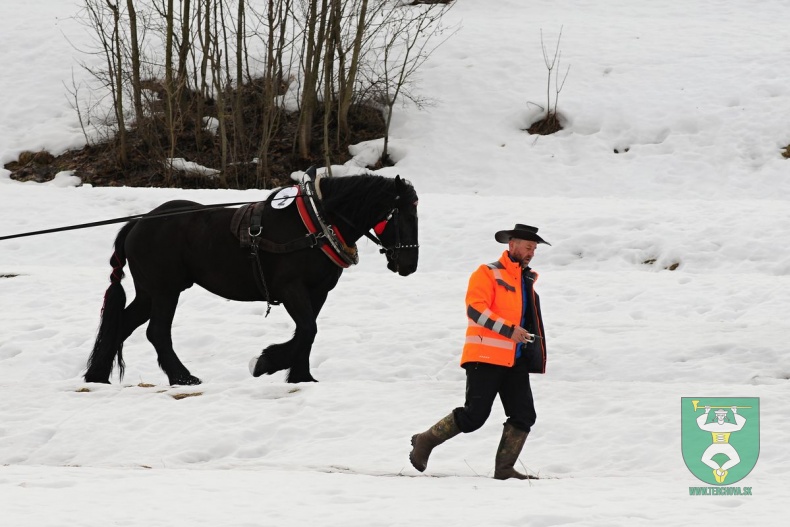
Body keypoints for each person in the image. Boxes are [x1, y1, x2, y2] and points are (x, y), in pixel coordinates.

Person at [409, 224, 550, 480]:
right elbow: (475, 310)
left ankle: (504, 469)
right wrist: (509, 331)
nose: (531, 253)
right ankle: (425, 440)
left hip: (514, 360)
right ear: (513, 244)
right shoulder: (487, 273)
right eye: (528, 247)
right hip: (485, 357)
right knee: (474, 417)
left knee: (524, 415)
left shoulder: (526, 281)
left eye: (534, 249)